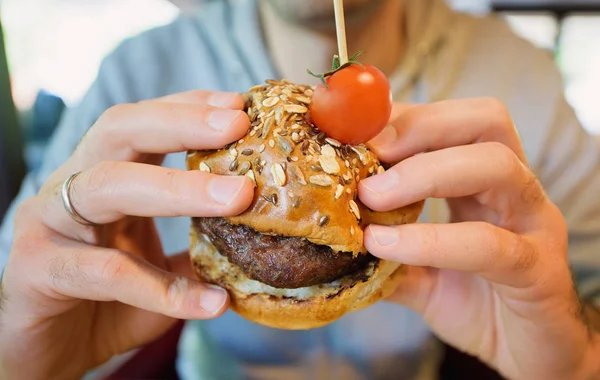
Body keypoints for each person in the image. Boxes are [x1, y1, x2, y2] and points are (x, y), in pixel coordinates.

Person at [1, 0, 600, 379]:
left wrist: (576, 363)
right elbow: (20, 272)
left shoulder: (523, 80)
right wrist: (18, 360)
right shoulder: (137, 73)